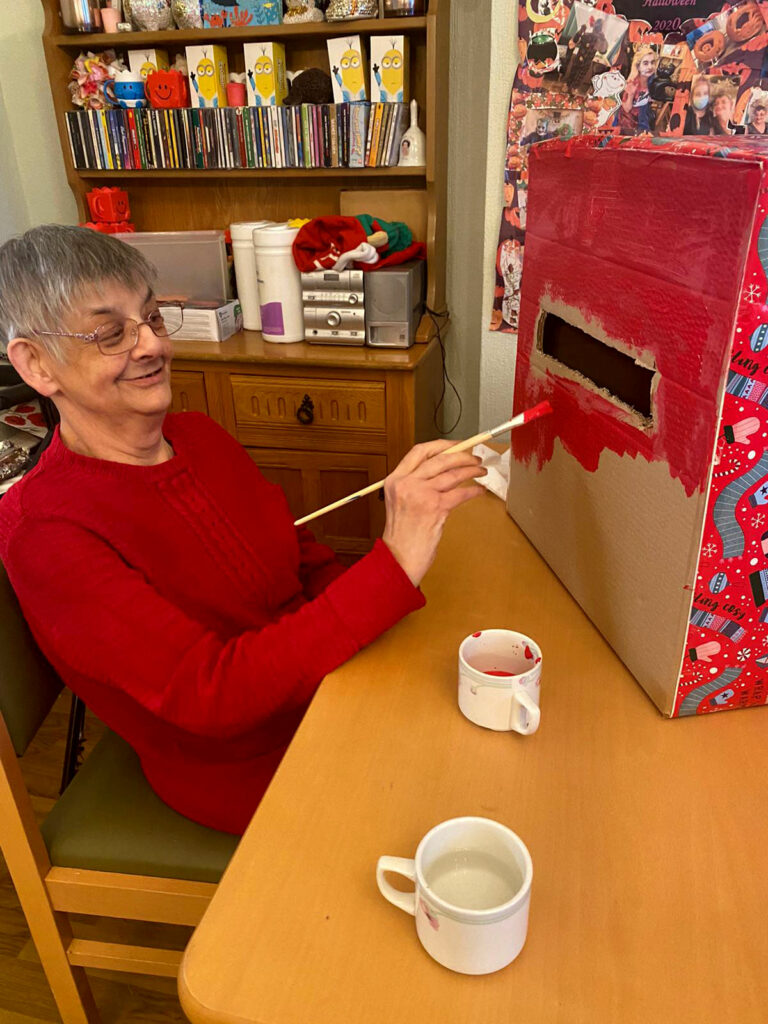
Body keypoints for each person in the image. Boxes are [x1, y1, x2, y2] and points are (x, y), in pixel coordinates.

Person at [0, 225, 486, 835]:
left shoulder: (200, 436)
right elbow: (212, 695)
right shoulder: (45, 531)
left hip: (322, 691)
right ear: (36, 364)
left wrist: (383, 634)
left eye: (152, 316)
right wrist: (393, 565)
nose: (152, 344)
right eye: (110, 333)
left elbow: (300, 558)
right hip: (243, 765)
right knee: (468, 791)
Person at [616, 45, 658, 135]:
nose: (650, 67)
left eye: (652, 62)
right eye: (645, 63)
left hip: (644, 120)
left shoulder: (652, 81)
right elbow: (626, 109)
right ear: (638, 67)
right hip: (628, 124)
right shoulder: (632, 82)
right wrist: (631, 95)